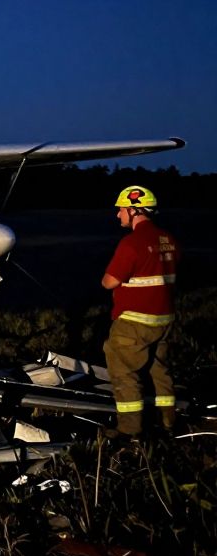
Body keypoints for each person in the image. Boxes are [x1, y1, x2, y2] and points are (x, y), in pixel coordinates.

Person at [101, 185, 180, 438]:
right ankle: (168, 423)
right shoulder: (168, 240)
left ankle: (129, 430)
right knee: (160, 371)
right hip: (164, 319)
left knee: (124, 372)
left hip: (134, 322)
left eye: (121, 210)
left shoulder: (132, 243)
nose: (117, 215)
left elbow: (109, 282)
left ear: (134, 210)